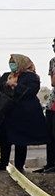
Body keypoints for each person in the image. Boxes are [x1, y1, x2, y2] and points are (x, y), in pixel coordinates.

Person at [0, 54, 47, 173]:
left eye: (14, 62)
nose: (12, 65)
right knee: (4, 139)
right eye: (10, 62)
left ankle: (19, 166)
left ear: (21, 63)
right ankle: (3, 163)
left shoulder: (31, 77)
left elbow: (31, 91)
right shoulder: (7, 75)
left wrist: (15, 85)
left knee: (20, 140)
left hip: (21, 114)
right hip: (5, 113)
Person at [34, 39, 55, 173]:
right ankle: (50, 164)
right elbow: (53, 82)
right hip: (52, 103)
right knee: (50, 135)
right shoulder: (52, 61)